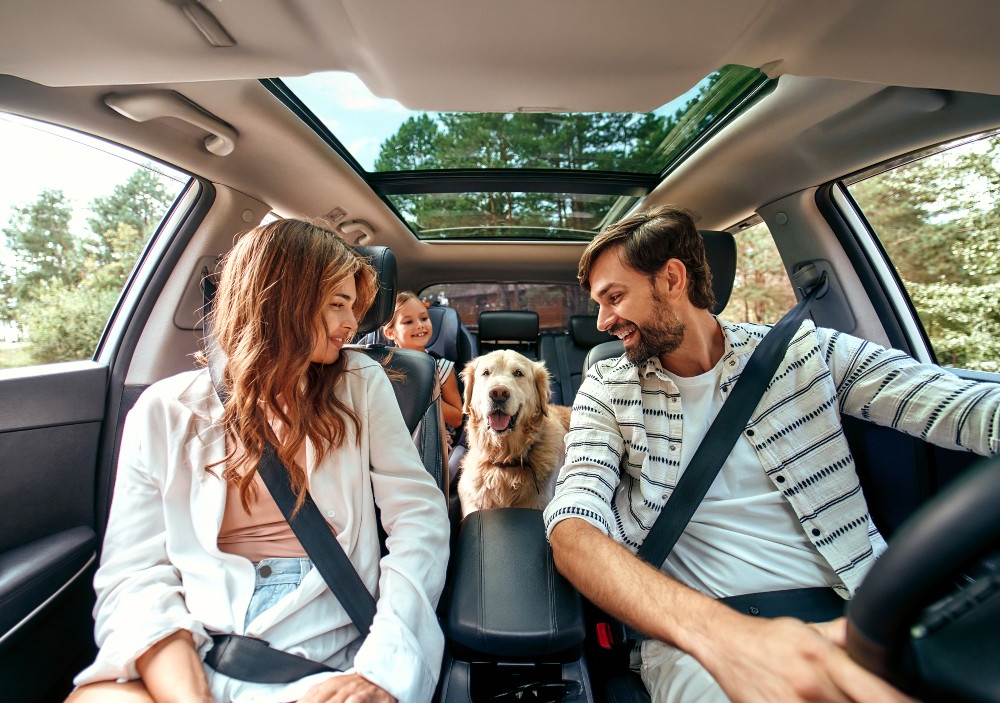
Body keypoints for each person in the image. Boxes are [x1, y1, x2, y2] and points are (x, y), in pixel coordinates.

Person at [544, 205, 999, 703]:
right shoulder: (607, 387)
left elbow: (963, 407)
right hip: (701, 637)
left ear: (672, 279)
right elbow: (573, 525)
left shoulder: (805, 352)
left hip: (861, 614)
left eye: (614, 298)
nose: (603, 321)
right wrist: (731, 639)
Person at [68, 219, 450, 703]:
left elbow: (418, 517)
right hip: (195, 642)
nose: (352, 324)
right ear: (280, 298)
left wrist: (383, 668)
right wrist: (188, 693)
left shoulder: (360, 382)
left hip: (323, 650)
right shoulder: (163, 410)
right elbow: (134, 574)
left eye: (354, 307)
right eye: (337, 304)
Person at [383, 292, 465, 482]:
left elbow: (457, 418)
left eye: (424, 318)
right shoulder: (381, 368)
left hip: (432, 440)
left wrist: (424, 395)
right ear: (390, 333)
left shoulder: (442, 368)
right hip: (391, 438)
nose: (420, 325)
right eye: (408, 321)